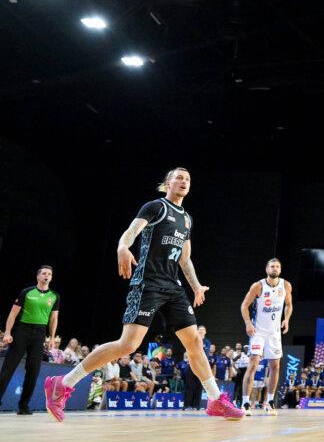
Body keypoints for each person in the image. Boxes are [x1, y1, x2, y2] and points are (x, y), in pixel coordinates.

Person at [42, 167, 243, 421]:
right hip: (147, 283)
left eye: (188, 179)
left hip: (173, 287)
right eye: (179, 178)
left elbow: (185, 258)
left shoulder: (187, 219)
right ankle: (63, 382)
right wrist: (123, 247)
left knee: (194, 343)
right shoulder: (155, 207)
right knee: (128, 344)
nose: (184, 181)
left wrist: (196, 285)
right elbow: (131, 231)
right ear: (167, 183)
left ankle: (215, 400)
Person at [0, 265, 59, 415]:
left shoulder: (54, 296)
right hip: (22, 331)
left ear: (51, 278)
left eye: (49, 274)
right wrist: (7, 332)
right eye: (44, 273)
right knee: (8, 368)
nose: (47, 276)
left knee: (33, 371)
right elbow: (13, 314)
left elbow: (54, 319)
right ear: (38, 276)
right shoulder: (26, 292)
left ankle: (24, 406)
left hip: (39, 333)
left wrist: (51, 338)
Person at [240, 258, 293, 415]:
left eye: (277, 266)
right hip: (258, 332)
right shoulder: (258, 286)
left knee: (275, 366)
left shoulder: (286, 285)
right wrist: (248, 323)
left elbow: (289, 305)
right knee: (253, 363)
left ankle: (269, 402)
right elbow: (244, 305)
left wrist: (286, 319)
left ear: (280, 269)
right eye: (272, 266)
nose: (274, 268)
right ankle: (245, 403)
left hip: (274, 333)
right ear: (266, 269)